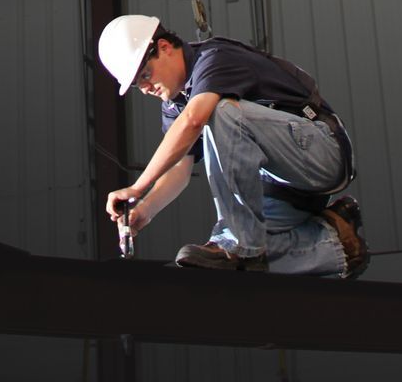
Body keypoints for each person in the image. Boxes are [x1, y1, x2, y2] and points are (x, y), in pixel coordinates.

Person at [97, 14, 368, 276]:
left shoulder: (214, 59)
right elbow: (179, 167)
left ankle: (240, 242)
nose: (146, 88)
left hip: (322, 152)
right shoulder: (174, 105)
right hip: (284, 188)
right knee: (220, 265)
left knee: (221, 110)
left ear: (164, 47)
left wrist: (137, 187)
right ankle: (337, 245)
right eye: (137, 85)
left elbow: (194, 120)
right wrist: (146, 208)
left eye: (145, 74)